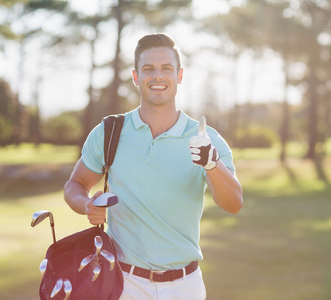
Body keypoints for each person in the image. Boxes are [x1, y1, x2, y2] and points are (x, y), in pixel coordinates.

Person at [64, 33, 243, 300]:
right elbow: (75, 185)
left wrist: (212, 163)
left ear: (179, 76)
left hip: (185, 286)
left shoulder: (207, 138)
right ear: (136, 77)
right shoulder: (109, 132)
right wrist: (86, 205)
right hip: (123, 283)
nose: (157, 76)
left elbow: (234, 203)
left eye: (166, 69)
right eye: (148, 69)